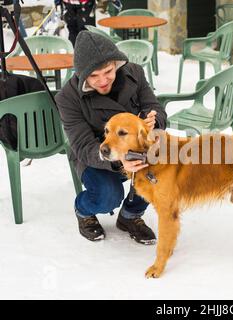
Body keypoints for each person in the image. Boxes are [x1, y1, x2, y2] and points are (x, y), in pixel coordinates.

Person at [55, 31, 167, 243]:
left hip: (137, 147)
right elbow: (83, 145)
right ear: (81, 75)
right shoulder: (67, 97)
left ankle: (130, 216)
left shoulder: (134, 73)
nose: (103, 80)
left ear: (116, 63)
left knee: (159, 169)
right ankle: (83, 210)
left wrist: (155, 120)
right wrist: (119, 159)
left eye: (108, 71)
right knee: (108, 195)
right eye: (94, 76)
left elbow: (154, 106)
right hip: (96, 156)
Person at [55, 0, 122, 46]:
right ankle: (77, 57)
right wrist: (58, 4)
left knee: (86, 31)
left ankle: (88, 57)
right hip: (68, 5)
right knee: (73, 32)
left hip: (85, 5)